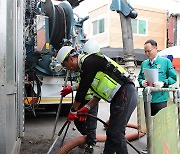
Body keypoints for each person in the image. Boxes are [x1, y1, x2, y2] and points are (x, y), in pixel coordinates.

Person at [57, 40, 138, 154]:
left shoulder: (89, 62)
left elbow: (83, 90)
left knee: (116, 133)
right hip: (119, 97)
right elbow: (99, 90)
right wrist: (88, 107)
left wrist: (73, 111)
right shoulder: (88, 66)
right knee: (112, 132)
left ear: (71, 59)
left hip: (125, 94)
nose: (68, 69)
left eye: (66, 66)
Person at [60, 40, 99, 154]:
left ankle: (90, 144)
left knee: (91, 123)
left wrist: (76, 108)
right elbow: (82, 84)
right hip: (82, 98)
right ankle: (86, 138)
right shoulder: (83, 66)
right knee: (78, 121)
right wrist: (71, 88)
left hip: (91, 99)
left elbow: (86, 86)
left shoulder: (93, 66)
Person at [137, 39, 177, 154]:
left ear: (155, 48)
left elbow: (174, 77)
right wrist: (142, 82)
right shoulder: (144, 64)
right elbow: (140, 77)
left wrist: (163, 83)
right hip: (147, 99)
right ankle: (149, 147)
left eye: (148, 51)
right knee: (149, 125)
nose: (147, 53)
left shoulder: (165, 62)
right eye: (145, 51)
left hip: (160, 99)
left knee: (161, 125)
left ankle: (162, 149)